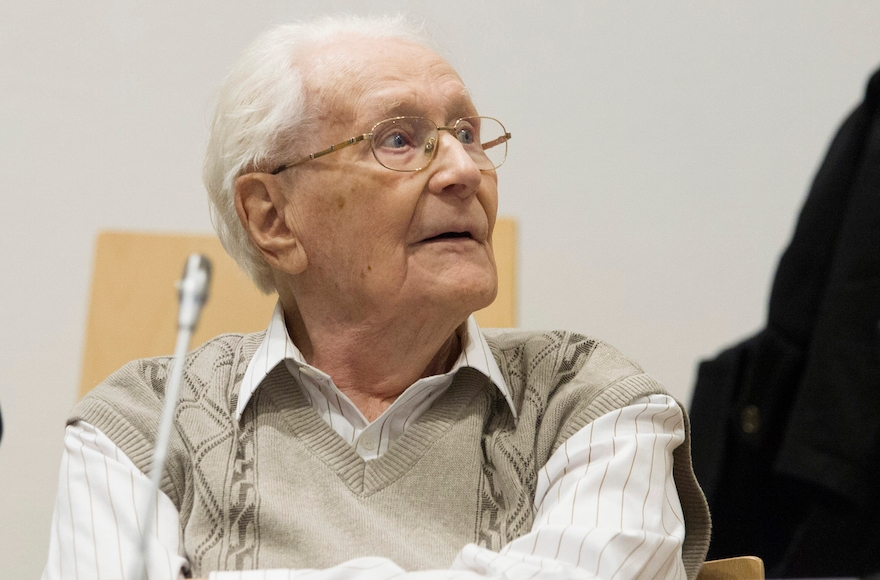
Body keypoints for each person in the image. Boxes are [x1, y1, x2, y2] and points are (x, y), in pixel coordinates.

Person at [43, 15, 710, 580]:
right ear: (273, 217)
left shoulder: (589, 403)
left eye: (468, 134)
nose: (462, 172)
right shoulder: (139, 428)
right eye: (398, 140)